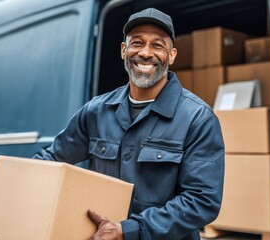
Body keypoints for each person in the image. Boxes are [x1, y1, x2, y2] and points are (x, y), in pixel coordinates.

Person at [34, 7, 225, 240]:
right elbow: (52, 159)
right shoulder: (97, 111)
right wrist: (23, 185)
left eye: (157, 45)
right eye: (137, 43)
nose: (146, 53)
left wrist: (128, 230)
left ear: (172, 55)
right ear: (124, 50)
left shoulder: (197, 118)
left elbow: (201, 201)